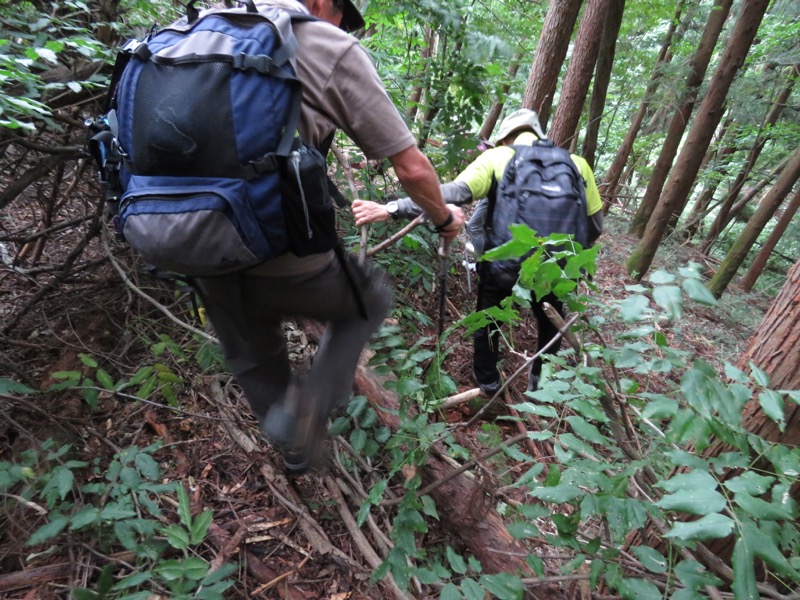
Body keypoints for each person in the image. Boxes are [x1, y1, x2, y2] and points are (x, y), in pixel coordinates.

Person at [194, 0, 464, 474]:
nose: (342, 29)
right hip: (273, 242)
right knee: (368, 297)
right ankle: (307, 412)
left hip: (186, 239)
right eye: (344, 18)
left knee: (250, 342)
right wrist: (443, 218)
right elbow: (412, 168)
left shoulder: (197, 29)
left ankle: (294, 454)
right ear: (326, 4)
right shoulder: (323, 43)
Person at [352, 108, 603, 396]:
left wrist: (392, 208)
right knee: (551, 324)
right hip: (559, 269)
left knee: (488, 318)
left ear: (506, 138)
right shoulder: (577, 164)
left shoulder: (499, 157)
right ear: (538, 133)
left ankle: (488, 382)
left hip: (506, 267)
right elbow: (595, 224)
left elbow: (449, 194)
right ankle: (541, 387)